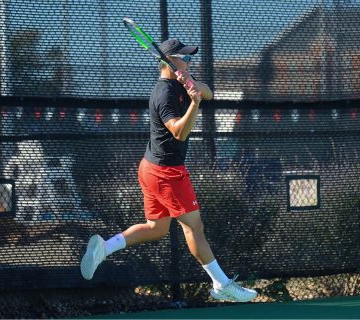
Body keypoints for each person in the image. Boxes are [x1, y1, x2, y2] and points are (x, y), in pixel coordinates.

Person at [80, 38, 258, 303]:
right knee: (194, 229)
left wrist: (196, 88)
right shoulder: (163, 93)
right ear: (168, 61)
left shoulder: (181, 80)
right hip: (166, 173)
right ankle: (221, 284)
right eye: (184, 57)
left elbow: (208, 91)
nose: (189, 61)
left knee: (156, 228)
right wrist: (195, 104)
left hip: (151, 168)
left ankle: (104, 248)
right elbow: (179, 131)